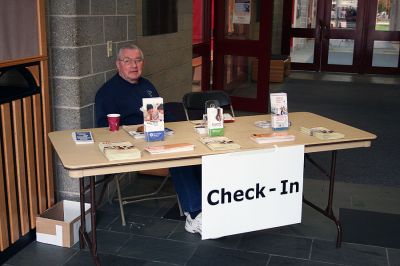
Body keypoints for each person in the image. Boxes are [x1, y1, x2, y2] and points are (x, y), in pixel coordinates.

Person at [95, 44, 202, 235]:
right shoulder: (108, 92)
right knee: (180, 158)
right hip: (133, 145)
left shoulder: (147, 86)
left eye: (138, 60)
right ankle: (194, 215)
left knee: (197, 151)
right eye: (127, 61)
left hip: (158, 137)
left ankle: (208, 205)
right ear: (118, 64)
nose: (133, 65)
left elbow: (158, 114)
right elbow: (104, 129)